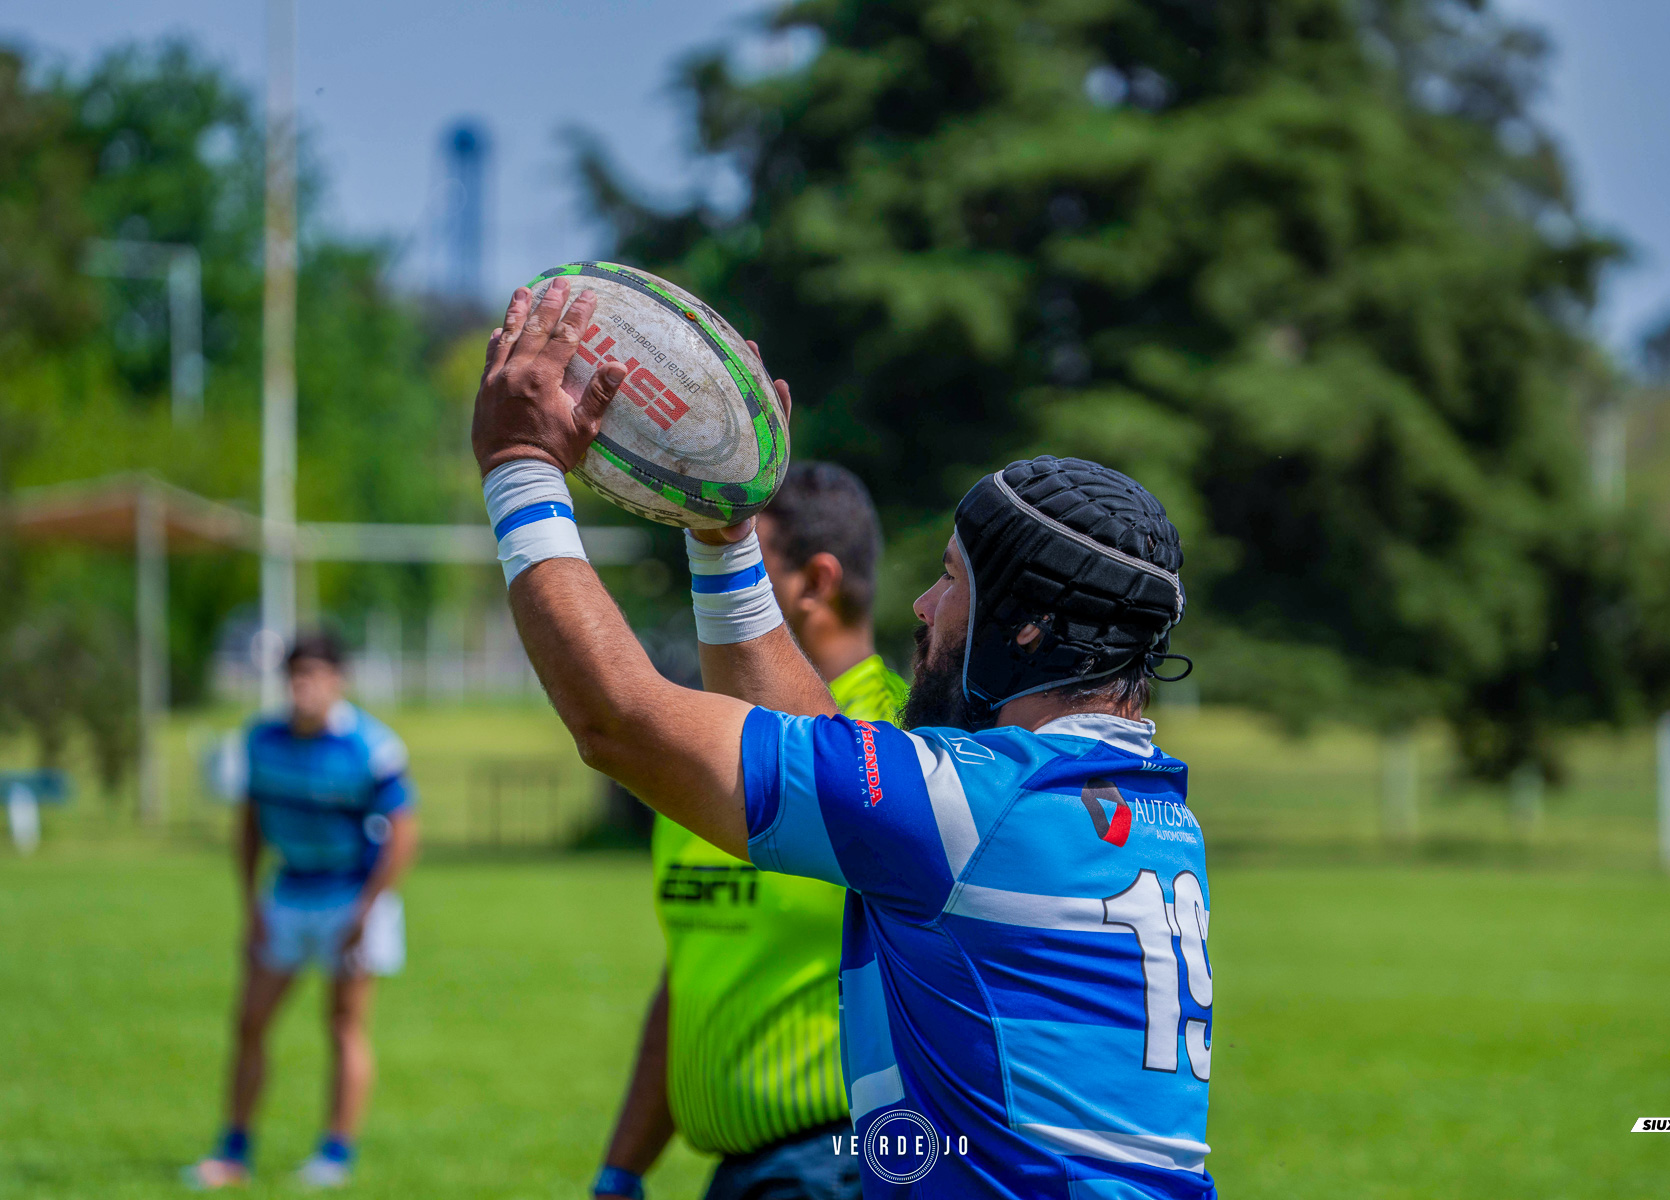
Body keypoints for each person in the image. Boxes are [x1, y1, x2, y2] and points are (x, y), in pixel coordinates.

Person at [475, 280, 1212, 1198]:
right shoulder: (1143, 802)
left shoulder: (978, 808)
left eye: (952, 582)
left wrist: (519, 466)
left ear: (1025, 630)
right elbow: (812, 741)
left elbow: (621, 723)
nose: (924, 608)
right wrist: (725, 529)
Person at [591, 463, 907, 1200]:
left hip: (845, 1165)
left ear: (814, 582)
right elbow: (696, 972)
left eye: (738, 554)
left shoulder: (902, 742)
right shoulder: (717, 739)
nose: (711, 576)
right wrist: (622, 1169)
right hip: (741, 1174)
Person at [185, 632, 419, 1190]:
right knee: (249, 1023)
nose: (303, 686)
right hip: (287, 895)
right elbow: (249, 825)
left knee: (342, 1026)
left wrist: (367, 911)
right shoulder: (261, 739)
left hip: (352, 896)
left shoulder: (372, 746)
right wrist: (251, 905)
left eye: (314, 674)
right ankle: (233, 1151)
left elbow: (403, 836)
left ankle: (334, 1154)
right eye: (294, 675)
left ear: (339, 680)